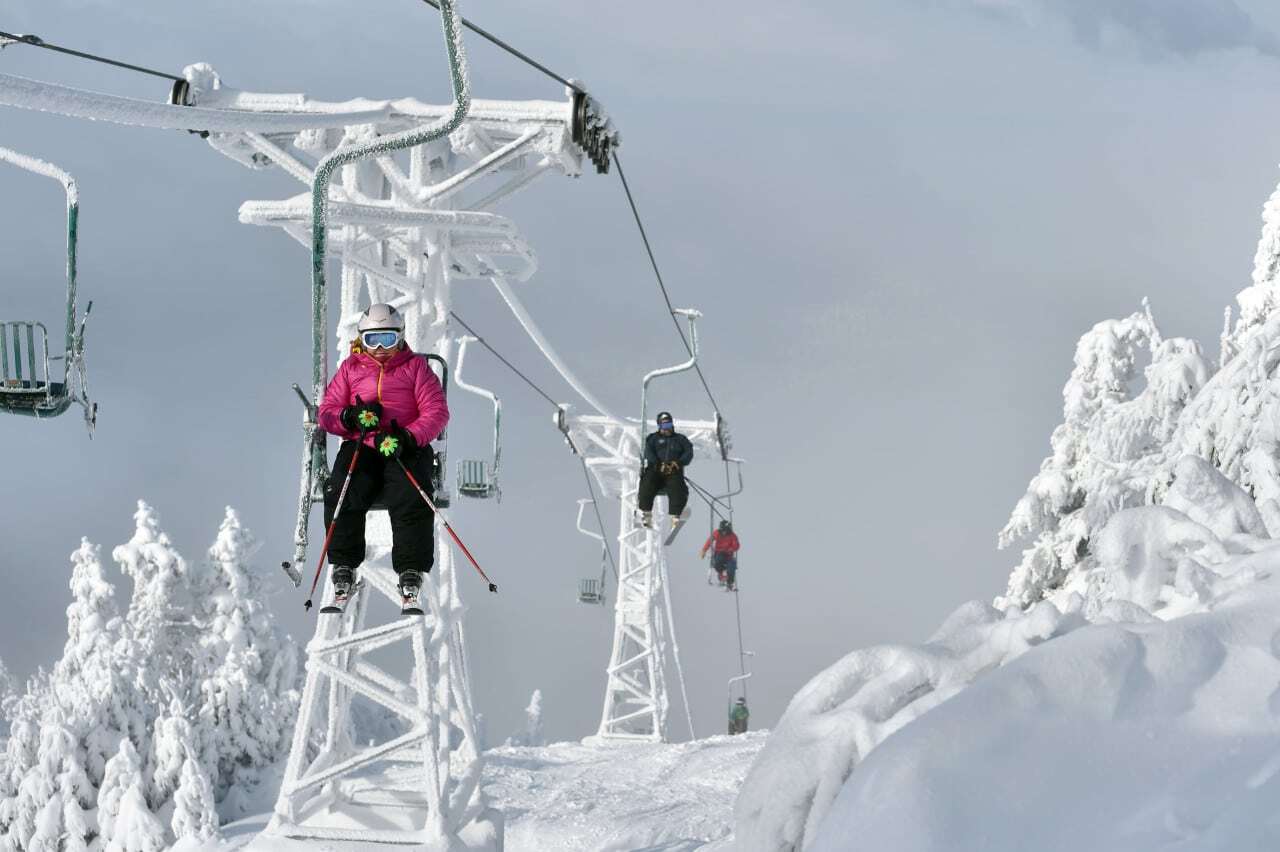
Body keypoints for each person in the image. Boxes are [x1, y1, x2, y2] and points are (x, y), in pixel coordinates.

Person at [317, 303, 449, 613]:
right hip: (362, 443)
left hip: (404, 445)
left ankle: (410, 568)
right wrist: (350, 417)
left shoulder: (415, 368)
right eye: (372, 340)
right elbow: (328, 413)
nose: (379, 349)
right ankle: (344, 565)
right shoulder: (350, 369)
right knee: (343, 489)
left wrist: (408, 436)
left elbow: (436, 412)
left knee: (410, 491)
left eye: (387, 340)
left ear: (401, 338)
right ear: (361, 339)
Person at [637, 411, 693, 529]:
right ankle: (646, 514)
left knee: (677, 487)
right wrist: (657, 464)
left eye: (669, 425)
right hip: (655, 469)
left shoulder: (680, 439)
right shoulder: (653, 439)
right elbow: (648, 452)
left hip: (673, 470)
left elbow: (688, 452)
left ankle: (675, 515)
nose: (667, 429)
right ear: (659, 426)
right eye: (664, 426)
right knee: (647, 483)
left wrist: (678, 463)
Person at [700, 519, 741, 590]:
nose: (723, 532)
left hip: (729, 555)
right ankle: (721, 575)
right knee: (718, 561)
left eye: (725, 531)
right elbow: (709, 541)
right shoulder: (717, 533)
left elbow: (736, 546)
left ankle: (730, 583)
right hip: (719, 553)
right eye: (722, 530)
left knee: (732, 566)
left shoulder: (732, 536)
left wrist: (731, 549)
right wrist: (704, 550)